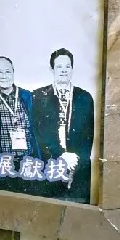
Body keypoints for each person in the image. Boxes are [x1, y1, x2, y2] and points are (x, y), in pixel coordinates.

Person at [31, 49, 96, 203]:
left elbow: (88, 136)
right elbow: (37, 133)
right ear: (52, 69)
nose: (64, 70)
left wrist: (75, 163)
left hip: (78, 169)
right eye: (59, 67)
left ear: (72, 69)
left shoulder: (85, 97)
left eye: (67, 66)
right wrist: (60, 155)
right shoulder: (38, 97)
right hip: (49, 167)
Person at [0, 57, 39, 192]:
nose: (4, 76)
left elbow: (36, 132)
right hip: (0, 165)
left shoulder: (27, 96)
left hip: (26, 164)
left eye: (7, 71)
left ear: (13, 73)